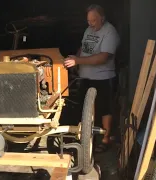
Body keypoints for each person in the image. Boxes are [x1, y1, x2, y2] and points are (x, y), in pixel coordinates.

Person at [64, 4, 120, 153]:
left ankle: (105, 139)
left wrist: (78, 61)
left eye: (94, 20)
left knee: (104, 110)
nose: (90, 24)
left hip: (103, 78)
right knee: (86, 109)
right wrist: (76, 59)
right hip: (85, 76)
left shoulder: (110, 32)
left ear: (102, 18)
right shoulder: (89, 30)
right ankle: (87, 139)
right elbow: (83, 48)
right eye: (88, 20)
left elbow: (103, 57)